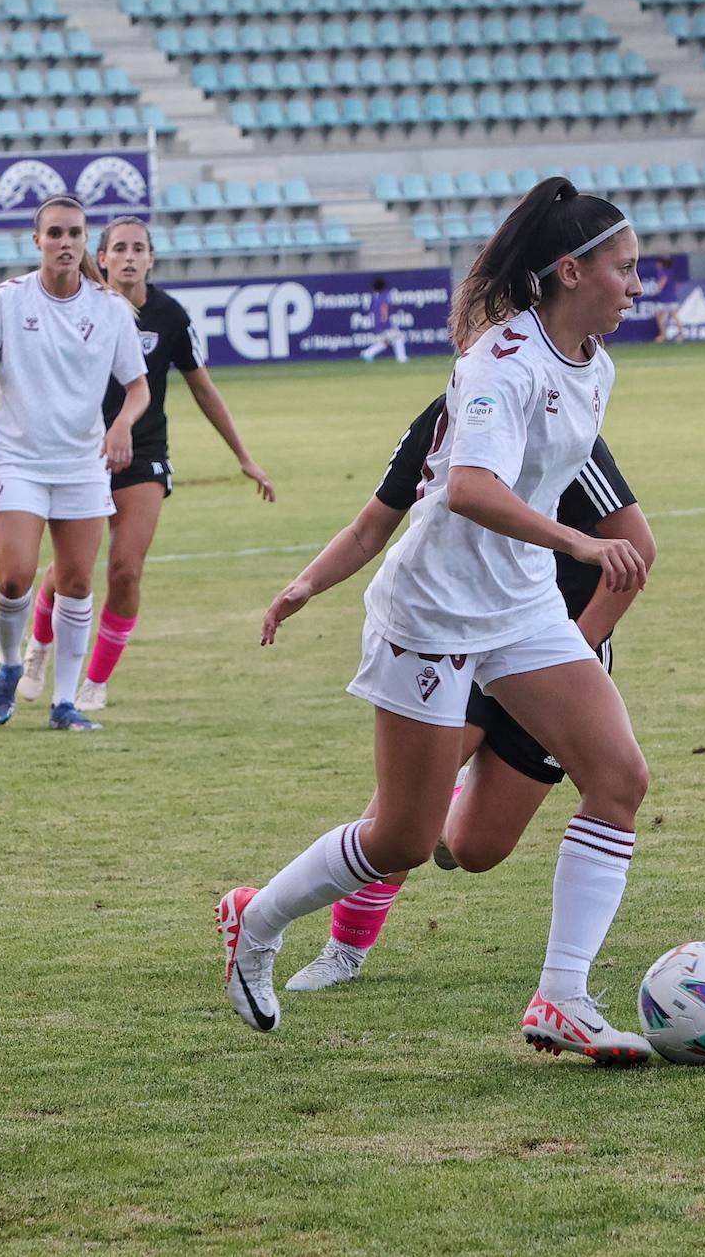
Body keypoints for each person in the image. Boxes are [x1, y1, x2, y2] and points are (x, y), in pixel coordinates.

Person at [218, 178, 655, 1064]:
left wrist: (558, 555)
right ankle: (255, 925)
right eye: (626, 268)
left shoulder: (595, 366)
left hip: (521, 602)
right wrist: (578, 541)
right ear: (571, 272)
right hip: (437, 608)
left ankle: (562, 999)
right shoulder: (500, 360)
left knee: (619, 778)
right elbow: (470, 489)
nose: (636, 285)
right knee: (404, 840)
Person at [277, 396, 653, 992]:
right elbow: (370, 523)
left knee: (476, 849)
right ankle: (342, 951)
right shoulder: (446, 418)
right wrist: (306, 584)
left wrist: (571, 657)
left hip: (552, 649)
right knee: (399, 822)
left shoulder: (551, 423)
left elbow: (638, 546)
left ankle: (446, 801)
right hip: (467, 639)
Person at [18, 217, 275, 712]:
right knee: (70, 570)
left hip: (144, 455)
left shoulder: (170, 316)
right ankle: (39, 648)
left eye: (140, 248)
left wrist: (243, 457)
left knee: (126, 570)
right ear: (105, 258)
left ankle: (95, 681)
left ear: (151, 259)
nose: (130, 256)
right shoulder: (81, 306)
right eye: (120, 248)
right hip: (80, 453)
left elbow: (202, 386)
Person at [0, 195, 149, 732]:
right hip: (16, 458)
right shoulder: (7, 301)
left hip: (82, 465)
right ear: (37, 241)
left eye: (75, 234)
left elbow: (138, 388)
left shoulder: (109, 308)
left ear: (86, 241)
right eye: (56, 234)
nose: (66, 243)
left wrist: (120, 425)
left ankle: (64, 703)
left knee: (76, 581)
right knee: (16, 576)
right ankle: (10, 663)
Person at [359, 276, 407, 363]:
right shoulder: (384, 296)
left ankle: (367, 353)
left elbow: (371, 311)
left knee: (384, 343)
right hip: (384, 324)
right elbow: (384, 308)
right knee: (399, 337)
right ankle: (402, 359)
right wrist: (384, 321)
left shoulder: (375, 298)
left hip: (378, 324)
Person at [647, 255, 682, 343]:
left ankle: (664, 334)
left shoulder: (661, 272)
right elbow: (675, 285)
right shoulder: (671, 272)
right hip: (671, 297)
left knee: (660, 315)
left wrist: (657, 289)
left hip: (665, 299)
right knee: (673, 316)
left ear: (661, 263)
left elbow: (663, 280)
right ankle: (678, 334)